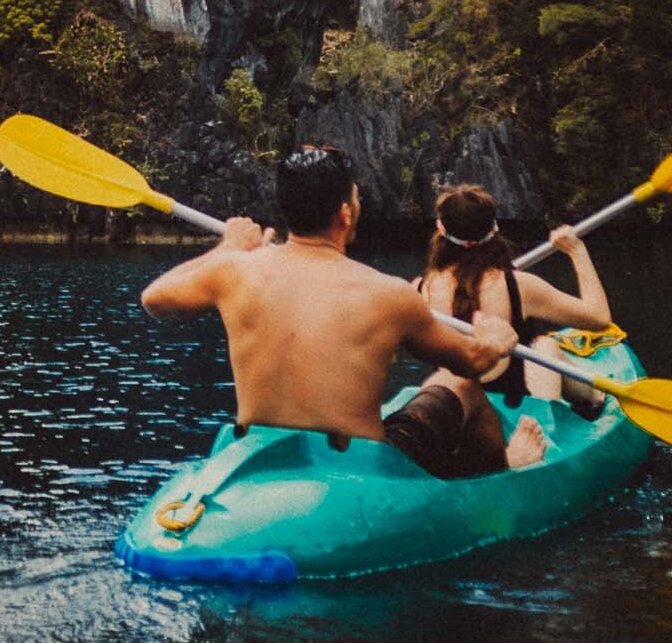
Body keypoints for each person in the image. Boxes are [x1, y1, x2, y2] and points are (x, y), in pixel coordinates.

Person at [138, 144, 515, 467]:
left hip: (260, 452)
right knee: (460, 386)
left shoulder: (234, 271)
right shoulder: (389, 293)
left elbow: (154, 298)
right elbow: (471, 362)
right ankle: (503, 477)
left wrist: (230, 248)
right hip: (355, 464)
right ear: (345, 214)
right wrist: (495, 337)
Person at [383, 183, 615, 478]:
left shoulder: (419, 290)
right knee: (544, 346)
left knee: (545, 346)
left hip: (456, 409)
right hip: (512, 418)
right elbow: (599, 317)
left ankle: (589, 397)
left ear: (440, 229)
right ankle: (593, 399)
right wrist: (576, 251)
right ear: (494, 229)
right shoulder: (517, 285)